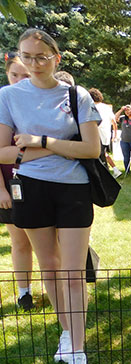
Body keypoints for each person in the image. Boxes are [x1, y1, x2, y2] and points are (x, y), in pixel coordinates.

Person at [0, 28, 103, 364]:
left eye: (41, 56)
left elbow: (91, 149)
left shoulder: (77, 95)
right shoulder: (8, 95)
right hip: (30, 188)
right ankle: (68, 334)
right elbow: (2, 152)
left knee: (73, 274)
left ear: (56, 58)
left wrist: (38, 141)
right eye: (26, 56)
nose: (34, 63)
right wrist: (55, 147)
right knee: (50, 267)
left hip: (74, 189)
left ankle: (78, 352)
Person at [1, 52, 34, 311]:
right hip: (9, 184)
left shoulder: (41, 102)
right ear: (7, 74)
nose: (20, 80)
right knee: (20, 240)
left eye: (25, 75)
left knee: (50, 242)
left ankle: (61, 289)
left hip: (43, 181)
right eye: (15, 75)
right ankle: (24, 292)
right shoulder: (2, 103)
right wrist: (0, 190)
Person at [89, 88, 122, 178]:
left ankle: (104, 176)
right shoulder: (106, 107)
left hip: (97, 135)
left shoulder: (92, 107)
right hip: (106, 135)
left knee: (99, 157)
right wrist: (114, 135)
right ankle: (110, 173)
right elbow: (114, 122)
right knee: (103, 155)